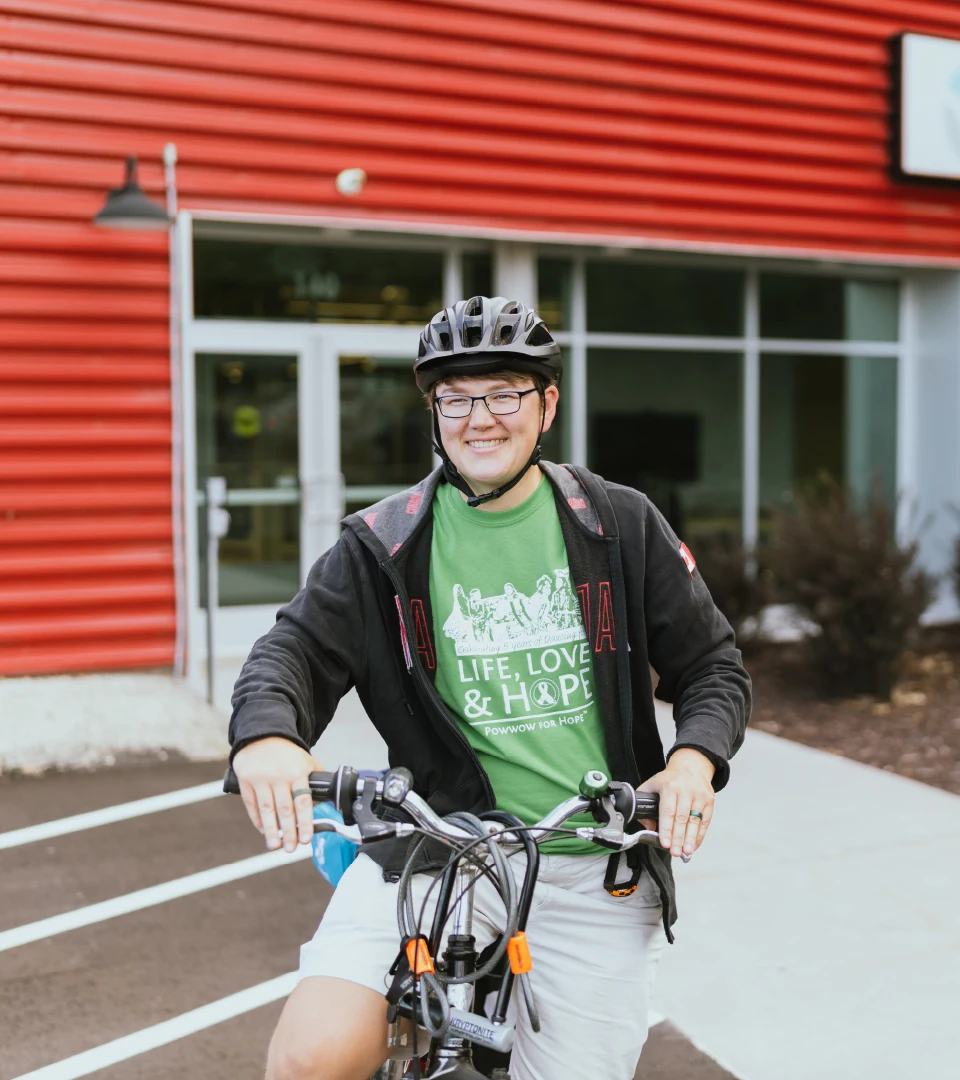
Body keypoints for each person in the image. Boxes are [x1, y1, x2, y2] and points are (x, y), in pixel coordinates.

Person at [229, 295, 751, 1080]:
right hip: (434, 846)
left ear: (546, 406)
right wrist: (267, 736)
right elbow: (292, 650)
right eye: (456, 397)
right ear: (434, 413)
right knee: (310, 1057)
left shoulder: (619, 524)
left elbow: (713, 668)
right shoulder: (384, 542)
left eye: (504, 392)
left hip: (591, 859)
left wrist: (691, 764)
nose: (480, 417)